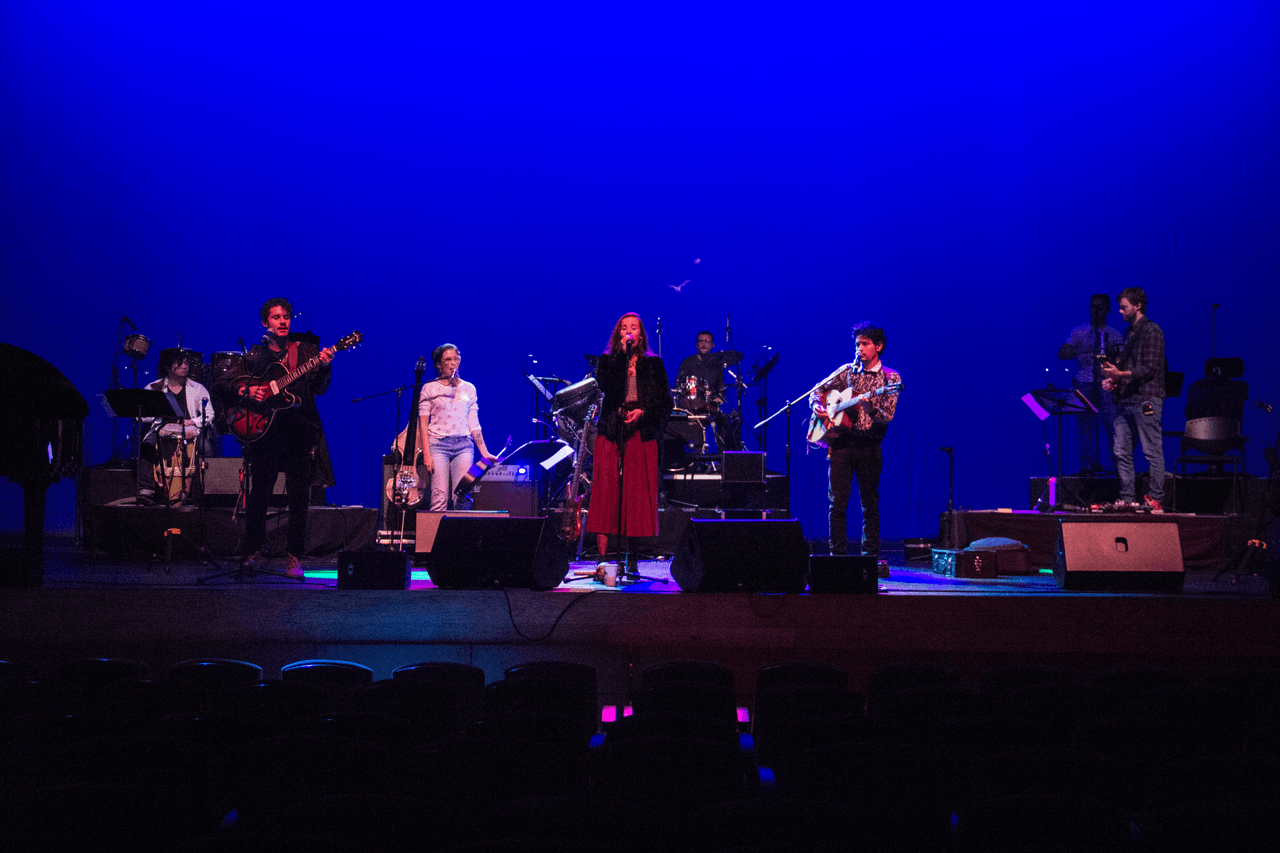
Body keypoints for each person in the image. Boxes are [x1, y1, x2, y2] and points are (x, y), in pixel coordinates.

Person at [232, 298, 336, 576]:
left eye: (286, 316)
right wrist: (246, 391)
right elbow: (227, 383)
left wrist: (325, 366)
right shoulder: (255, 355)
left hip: (299, 431)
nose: (283, 321)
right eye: (276, 317)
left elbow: (321, 389)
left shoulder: (305, 351)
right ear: (266, 323)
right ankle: (250, 553)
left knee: (300, 497)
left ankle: (294, 558)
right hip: (265, 432)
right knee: (260, 494)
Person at [586, 312, 673, 573]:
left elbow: (666, 402)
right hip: (612, 429)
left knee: (634, 494)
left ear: (641, 334)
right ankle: (603, 557)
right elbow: (607, 389)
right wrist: (622, 358)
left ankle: (631, 557)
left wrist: (643, 412)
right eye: (624, 328)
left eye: (633, 328)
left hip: (641, 431)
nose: (629, 332)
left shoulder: (654, 364)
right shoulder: (607, 361)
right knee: (605, 491)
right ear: (618, 334)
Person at [809, 322, 901, 558]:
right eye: (857, 344)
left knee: (869, 505)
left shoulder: (890, 377)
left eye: (865, 344)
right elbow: (816, 391)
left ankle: (869, 559)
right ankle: (836, 558)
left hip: (869, 447)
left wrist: (869, 409)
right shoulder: (847, 372)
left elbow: (887, 416)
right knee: (836, 505)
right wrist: (819, 406)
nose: (859, 348)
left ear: (878, 346)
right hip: (840, 445)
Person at [1101, 287, 1166, 512]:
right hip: (1127, 401)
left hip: (1146, 399)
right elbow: (1128, 368)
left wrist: (1119, 374)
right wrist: (1114, 379)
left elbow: (1149, 368)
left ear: (1138, 306)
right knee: (1120, 450)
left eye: (1124, 307)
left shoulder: (1152, 331)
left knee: (1151, 450)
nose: (1119, 311)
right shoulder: (1130, 333)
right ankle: (1127, 497)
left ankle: (1156, 497)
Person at [416, 343, 497, 511]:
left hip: (463, 446)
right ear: (439, 364)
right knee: (439, 497)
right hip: (438, 444)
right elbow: (423, 423)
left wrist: (484, 452)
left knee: (461, 496)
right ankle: (435, 537)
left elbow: (474, 423)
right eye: (447, 360)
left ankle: (461, 537)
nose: (453, 363)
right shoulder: (430, 388)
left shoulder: (469, 388)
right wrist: (427, 454)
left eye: (456, 359)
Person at [137, 348, 217, 504]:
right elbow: (142, 416)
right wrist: (156, 414)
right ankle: (146, 489)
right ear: (168, 367)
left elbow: (210, 414)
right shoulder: (154, 388)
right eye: (179, 363)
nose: (184, 366)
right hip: (161, 428)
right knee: (146, 445)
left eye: (186, 363)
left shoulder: (198, 388)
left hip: (190, 430)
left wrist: (193, 421)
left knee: (206, 449)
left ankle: (202, 492)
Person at [1058, 294, 1124, 475]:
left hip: (1106, 382)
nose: (1096, 311)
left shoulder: (1114, 333)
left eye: (1100, 307)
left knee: (1111, 423)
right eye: (1093, 307)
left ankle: (1118, 466)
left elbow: (1122, 360)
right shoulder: (1079, 331)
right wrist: (1085, 349)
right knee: (1085, 425)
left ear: (1107, 310)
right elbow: (1062, 353)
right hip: (1084, 381)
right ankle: (1087, 465)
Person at [676, 330, 743, 452]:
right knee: (674, 421)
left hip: (708, 407)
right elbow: (678, 387)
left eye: (707, 341)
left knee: (724, 419)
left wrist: (718, 398)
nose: (703, 344)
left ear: (713, 345)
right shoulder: (686, 363)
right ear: (696, 344)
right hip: (689, 407)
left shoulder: (717, 366)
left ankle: (722, 458)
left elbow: (721, 390)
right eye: (700, 341)